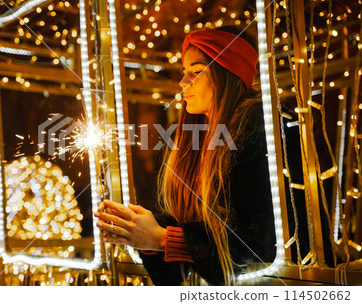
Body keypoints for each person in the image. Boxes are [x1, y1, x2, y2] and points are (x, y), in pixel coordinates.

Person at [94, 27, 276, 285]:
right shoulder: (201, 137)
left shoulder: (257, 130)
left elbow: (260, 245)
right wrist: (140, 228)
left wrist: (160, 238)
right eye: (184, 72)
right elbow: (201, 229)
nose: (183, 82)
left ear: (228, 74)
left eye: (197, 71)